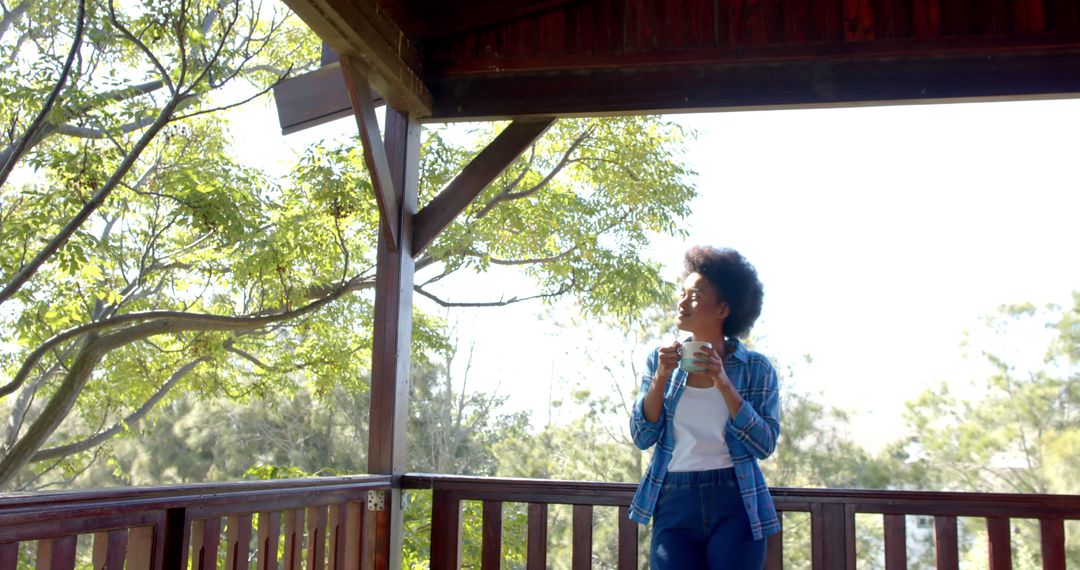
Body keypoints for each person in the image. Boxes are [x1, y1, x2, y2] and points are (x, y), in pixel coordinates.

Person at [629, 246, 780, 569]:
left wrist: (724, 383)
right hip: (674, 498)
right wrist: (660, 378)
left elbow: (764, 444)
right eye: (682, 293)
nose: (682, 303)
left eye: (695, 295)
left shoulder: (756, 368)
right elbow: (642, 436)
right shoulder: (660, 360)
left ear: (723, 308)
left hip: (736, 500)